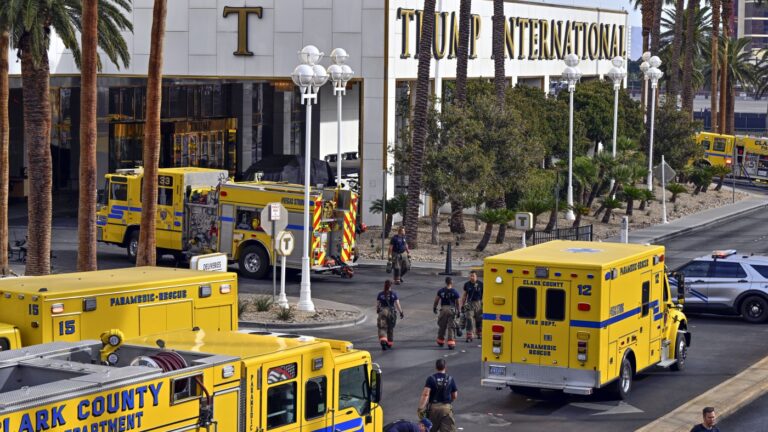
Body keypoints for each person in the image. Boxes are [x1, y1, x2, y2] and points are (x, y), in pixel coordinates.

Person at [418, 359, 458, 432]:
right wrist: (448, 402)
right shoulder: (450, 379)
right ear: (445, 367)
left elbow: (425, 394)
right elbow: (455, 395)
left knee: (430, 429)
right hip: (446, 409)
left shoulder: (431, 379)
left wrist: (421, 408)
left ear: (436, 367)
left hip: (433, 409)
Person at [433, 277, 460, 349]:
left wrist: (434, 307)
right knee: (451, 326)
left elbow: (436, 300)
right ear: (451, 282)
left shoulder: (441, 291)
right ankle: (451, 343)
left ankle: (440, 340)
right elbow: (457, 303)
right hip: (452, 309)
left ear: (445, 282)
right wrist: (458, 311)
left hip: (443, 309)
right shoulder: (455, 292)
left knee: (442, 325)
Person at [376, 280, 404, 351]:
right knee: (390, 328)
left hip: (383, 312)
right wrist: (401, 312)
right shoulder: (394, 294)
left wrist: (378, 310)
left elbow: (378, 304)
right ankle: (389, 343)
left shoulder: (380, 294)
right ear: (391, 285)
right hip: (391, 312)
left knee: (382, 327)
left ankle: (383, 341)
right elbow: (397, 304)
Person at [459, 270, 484, 342]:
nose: (472, 277)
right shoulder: (467, 284)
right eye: (470, 276)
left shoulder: (481, 284)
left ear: (476, 276)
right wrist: (462, 304)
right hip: (469, 303)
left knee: (479, 319)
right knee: (469, 318)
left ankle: (479, 332)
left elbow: (484, 295)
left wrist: (483, 304)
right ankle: (469, 334)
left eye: (473, 276)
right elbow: (464, 295)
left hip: (478, 303)